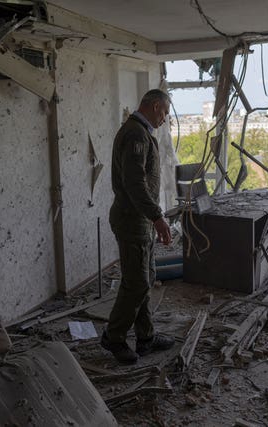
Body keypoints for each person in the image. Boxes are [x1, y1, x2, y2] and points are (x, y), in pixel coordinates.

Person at [101, 89, 175, 363]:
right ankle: (114, 337)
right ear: (156, 107)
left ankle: (146, 337)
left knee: (146, 279)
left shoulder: (140, 133)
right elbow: (135, 183)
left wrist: (152, 218)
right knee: (136, 283)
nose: (165, 119)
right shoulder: (135, 134)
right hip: (133, 221)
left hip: (140, 221)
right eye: (165, 112)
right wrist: (157, 216)